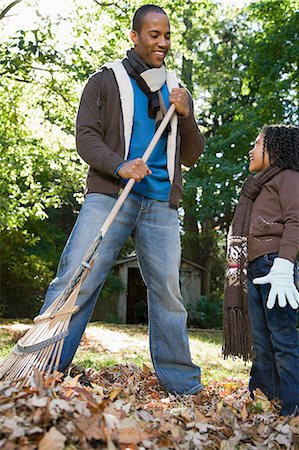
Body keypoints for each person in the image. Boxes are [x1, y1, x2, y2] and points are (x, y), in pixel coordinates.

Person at [39, 4, 205, 395]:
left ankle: (182, 385)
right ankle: (43, 367)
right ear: (135, 37)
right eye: (154, 35)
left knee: (168, 292)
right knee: (76, 279)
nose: (163, 42)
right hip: (110, 195)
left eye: (167, 36)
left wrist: (186, 114)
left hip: (161, 204)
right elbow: (86, 137)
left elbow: (192, 153)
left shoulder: (177, 89)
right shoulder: (105, 81)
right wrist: (120, 165)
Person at [223, 124, 299, 416]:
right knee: (261, 339)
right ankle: (265, 397)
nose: (251, 149)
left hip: (275, 267)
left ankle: (292, 404)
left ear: (275, 148)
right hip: (253, 268)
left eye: (257, 143)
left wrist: (284, 264)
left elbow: (295, 221)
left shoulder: (289, 178)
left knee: (283, 338)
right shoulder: (256, 187)